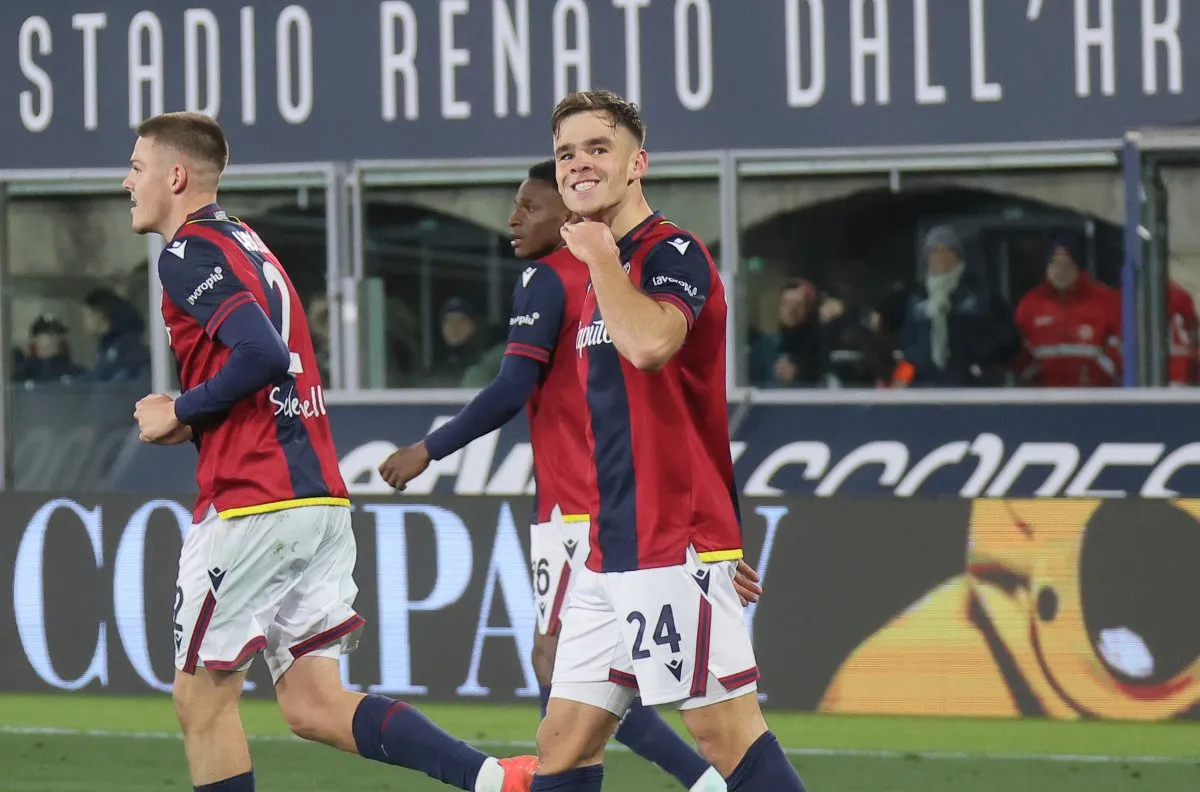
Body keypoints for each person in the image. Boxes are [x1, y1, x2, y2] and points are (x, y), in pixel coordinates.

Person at [125, 111, 536, 792]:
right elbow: (267, 364)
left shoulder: (187, 253)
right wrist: (196, 419)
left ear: (175, 176)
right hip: (316, 497)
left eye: (137, 167)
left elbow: (261, 353)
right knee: (313, 703)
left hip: (252, 503)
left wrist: (182, 409)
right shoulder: (245, 241)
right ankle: (497, 779)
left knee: (201, 700)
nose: (127, 182)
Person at [378, 161, 763, 792]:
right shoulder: (601, 279)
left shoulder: (558, 275)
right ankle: (693, 779)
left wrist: (430, 447)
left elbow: (513, 386)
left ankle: (703, 780)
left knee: (570, 670)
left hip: (585, 510)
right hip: (624, 507)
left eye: (531, 207)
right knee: (572, 707)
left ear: (569, 213)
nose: (513, 220)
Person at [534, 90, 807, 791]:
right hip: (610, 545)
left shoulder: (672, 252)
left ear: (637, 164)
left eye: (598, 148)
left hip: (667, 540)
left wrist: (708, 540)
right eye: (566, 153)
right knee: (562, 744)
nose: (578, 164)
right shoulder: (602, 268)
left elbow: (652, 346)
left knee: (725, 735)